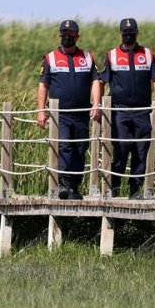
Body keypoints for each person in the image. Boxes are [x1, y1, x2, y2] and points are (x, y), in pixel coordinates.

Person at [99, 18, 155, 199]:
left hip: (142, 111)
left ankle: (135, 189)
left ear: (137, 33)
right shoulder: (111, 55)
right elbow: (101, 81)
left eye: (132, 32)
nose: (129, 35)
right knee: (121, 147)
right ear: (120, 34)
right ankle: (115, 185)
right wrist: (97, 105)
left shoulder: (148, 54)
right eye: (126, 32)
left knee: (141, 149)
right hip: (119, 110)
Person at [37, 19, 102, 199]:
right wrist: (41, 111)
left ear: (77, 36)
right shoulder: (50, 58)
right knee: (64, 146)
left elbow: (95, 80)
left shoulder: (87, 58)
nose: (66, 38)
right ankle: (63, 184)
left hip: (82, 114)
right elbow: (43, 85)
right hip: (61, 115)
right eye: (63, 35)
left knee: (80, 148)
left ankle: (74, 186)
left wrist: (96, 103)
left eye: (70, 35)